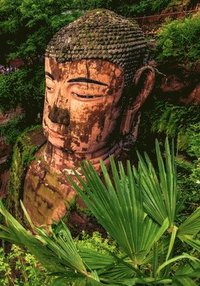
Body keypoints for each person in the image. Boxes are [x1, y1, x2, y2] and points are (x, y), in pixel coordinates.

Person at [23, 9, 155, 226]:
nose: (56, 114)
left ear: (138, 93)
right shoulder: (26, 148)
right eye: (49, 86)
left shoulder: (127, 191)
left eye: (84, 93)